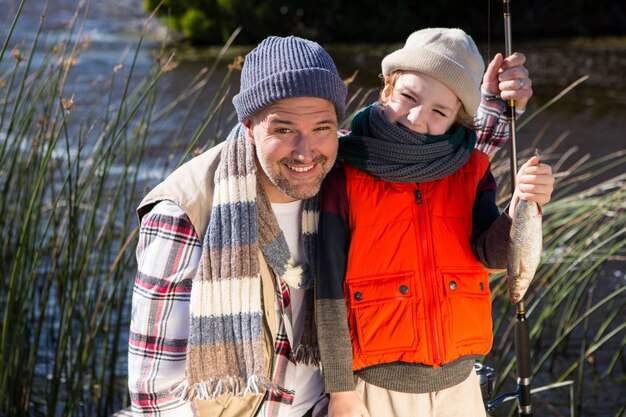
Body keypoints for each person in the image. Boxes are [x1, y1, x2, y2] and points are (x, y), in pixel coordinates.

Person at [128, 33, 540, 417]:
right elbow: (156, 396)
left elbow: (436, 158)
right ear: (249, 124)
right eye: (283, 128)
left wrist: (496, 103)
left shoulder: (344, 162)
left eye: (321, 127)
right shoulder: (184, 215)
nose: (305, 151)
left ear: (336, 127)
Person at [314, 28, 554, 417]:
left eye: (439, 111)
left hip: (459, 384)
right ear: (387, 87)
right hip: (375, 386)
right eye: (408, 96)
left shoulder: (471, 168)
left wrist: (521, 207)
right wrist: (341, 390)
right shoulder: (343, 170)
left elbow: (490, 253)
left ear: (457, 120)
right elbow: (328, 293)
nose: (416, 117)